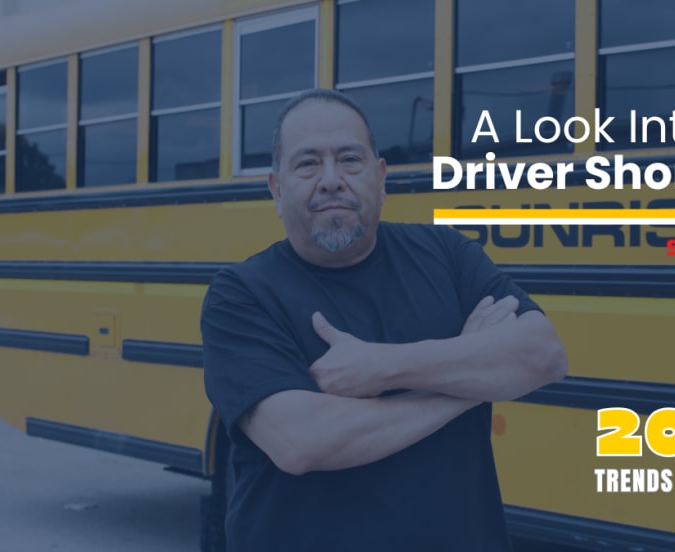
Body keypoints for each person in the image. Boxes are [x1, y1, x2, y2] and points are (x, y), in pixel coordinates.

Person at [200, 88, 567, 551]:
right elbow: (302, 442)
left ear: (381, 177)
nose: (331, 180)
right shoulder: (241, 294)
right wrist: (471, 386)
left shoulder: (448, 256)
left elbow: (544, 355)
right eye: (308, 164)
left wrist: (383, 366)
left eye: (349, 160)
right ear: (276, 189)